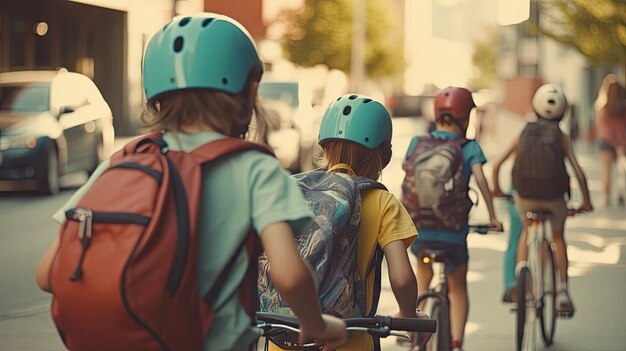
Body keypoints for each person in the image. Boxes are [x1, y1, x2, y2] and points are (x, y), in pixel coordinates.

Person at [35, 13, 347, 351]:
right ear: (249, 91)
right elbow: (288, 274)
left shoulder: (128, 157)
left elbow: (47, 272)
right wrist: (316, 323)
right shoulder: (254, 167)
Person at [264, 94, 422, 351]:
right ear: (383, 155)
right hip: (349, 340)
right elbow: (402, 278)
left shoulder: (293, 190)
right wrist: (408, 315)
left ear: (324, 148)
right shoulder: (383, 202)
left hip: (286, 338)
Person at [403, 87, 503, 351]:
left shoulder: (417, 143)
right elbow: (481, 178)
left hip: (419, 232)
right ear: (466, 118)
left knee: (422, 276)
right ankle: (457, 343)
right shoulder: (468, 147)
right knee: (458, 288)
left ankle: (414, 336)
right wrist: (492, 217)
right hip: (453, 235)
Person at [492, 84, 594, 318]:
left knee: (526, 233)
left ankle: (521, 282)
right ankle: (562, 292)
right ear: (563, 112)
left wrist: (497, 189)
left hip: (524, 195)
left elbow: (497, 164)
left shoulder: (524, 130)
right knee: (558, 236)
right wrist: (586, 202)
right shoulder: (561, 136)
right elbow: (578, 172)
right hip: (553, 197)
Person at [594, 74, 626, 207]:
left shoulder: (601, 106)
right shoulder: (622, 107)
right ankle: (620, 194)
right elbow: (622, 127)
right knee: (621, 171)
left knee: (606, 172)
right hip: (620, 142)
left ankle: (607, 198)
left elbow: (600, 127)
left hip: (605, 141)